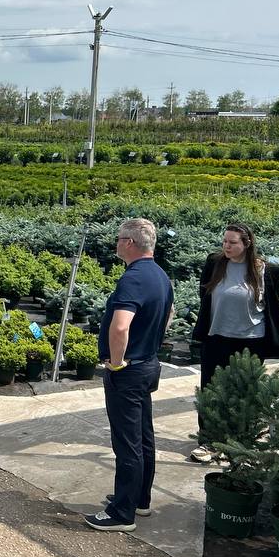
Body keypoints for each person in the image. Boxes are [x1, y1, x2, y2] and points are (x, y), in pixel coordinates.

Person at [85, 218, 174, 533]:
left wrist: (117, 362)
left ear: (130, 243)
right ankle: (139, 499)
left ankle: (122, 513)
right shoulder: (160, 275)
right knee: (143, 437)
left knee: (127, 443)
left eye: (119, 238)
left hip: (129, 370)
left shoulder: (133, 278)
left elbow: (120, 326)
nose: (116, 243)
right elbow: (169, 315)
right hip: (148, 364)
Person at [189, 223, 279, 462]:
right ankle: (209, 442)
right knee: (211, 390)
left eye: (233, 242)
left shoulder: (265, 271)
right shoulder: (215, 264)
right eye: (225, 241)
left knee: (244, 392)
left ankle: (241, 442)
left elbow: (270, 305)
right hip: (216, 338)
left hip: (251, 342)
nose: (227, 246)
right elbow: (204, 295)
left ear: (247, 244)